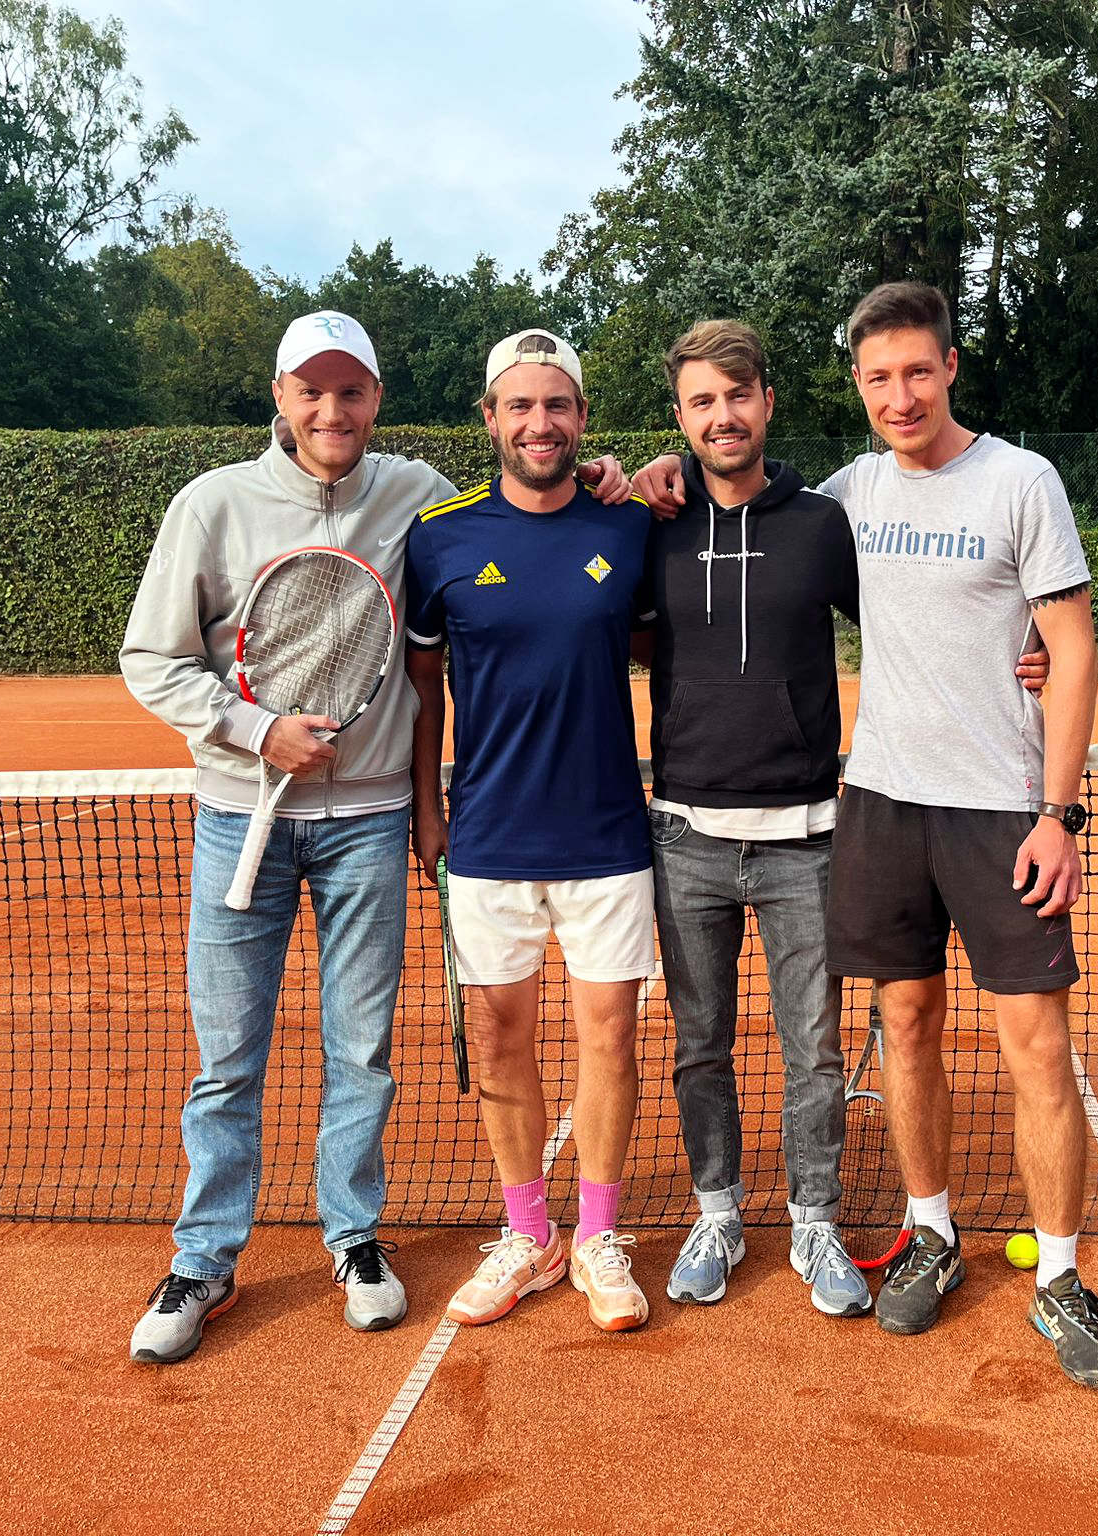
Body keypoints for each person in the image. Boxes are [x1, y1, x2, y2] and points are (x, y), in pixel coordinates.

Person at [632, 282, 1098, 1389]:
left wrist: (1058, 812)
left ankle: (1058, 1278)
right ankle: (932, 1235)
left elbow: (1071, 644)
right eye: (875, 377)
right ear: (852, 387)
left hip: (1002, 808)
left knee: (1035, 1048)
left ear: (948, 366)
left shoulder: (1015, 481)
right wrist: (646, 479)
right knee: (904, 1029)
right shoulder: (843, 495)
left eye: (914, 371)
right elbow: (736, 521)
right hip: (880, 804)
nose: (897, 395)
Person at [120, 312, 629, 1364]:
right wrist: (256, 728)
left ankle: (353, 1239)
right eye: (311, 391)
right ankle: (204, 1259)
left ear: (376, 401)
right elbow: (152, 658)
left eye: (349, 392)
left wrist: (629, 472)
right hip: (238, 823)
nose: (330, 410)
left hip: (365, 825)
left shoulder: (414, 502)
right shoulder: (210, 505)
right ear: (279, 395)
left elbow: (536, 491)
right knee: (228, 1060)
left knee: (362, 1053)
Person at [403, 329, 657, 1333]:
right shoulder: (439, 539)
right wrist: (428, 809)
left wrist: (660, 474)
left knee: (610, 1036)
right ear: (489, 419)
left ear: (580, 419)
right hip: (490, 840)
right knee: (502, 1043)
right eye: (519, 405)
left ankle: (595, 1236)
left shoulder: (633, 527)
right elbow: (424, 693)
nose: (538, 423)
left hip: (606, 836)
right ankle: (527, 1235)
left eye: (556, 406)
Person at [636, 319, 871, 1317]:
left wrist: (1022, 646)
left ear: (766, 402)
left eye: (737, 395)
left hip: (807, 835)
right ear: (681, 417)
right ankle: (717, 1212)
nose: (721, 416)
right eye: (700, 401)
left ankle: (814, 1222)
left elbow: (904, 625)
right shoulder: (651, 525)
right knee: (699, 1045)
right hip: (684, 835)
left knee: (812, 1048)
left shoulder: (821, 525)